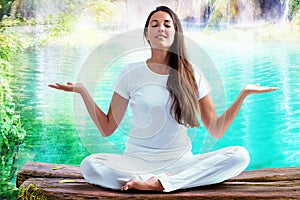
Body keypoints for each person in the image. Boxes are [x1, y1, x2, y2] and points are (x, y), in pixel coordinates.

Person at [49, 6, 277, 192]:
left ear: (175, 33)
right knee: (90, 166)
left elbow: (215, 129)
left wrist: (243, 94)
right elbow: (108, 128)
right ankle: (165, 181)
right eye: (154, 24)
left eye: (167, 24)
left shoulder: (192, 74)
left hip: (181, 163)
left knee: (239, 155)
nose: (161, 28)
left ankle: (161, 183)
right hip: (136, 161)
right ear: (147, 34)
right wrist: (82, 92)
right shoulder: (130, 72)